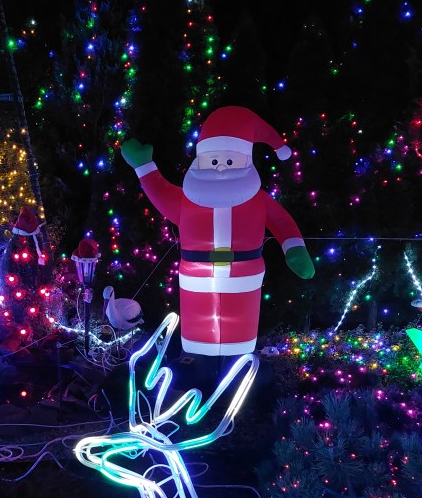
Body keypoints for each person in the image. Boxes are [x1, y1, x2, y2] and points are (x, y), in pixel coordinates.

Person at [120, 105, 314, 357]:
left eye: (230, 160)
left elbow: (281, 221)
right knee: (198, 337)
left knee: (240, 335)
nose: (221, 167)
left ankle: (237, 357)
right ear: (200, 160)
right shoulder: (187, 199)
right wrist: (144, 167)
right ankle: (200, 358)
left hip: (245, 275)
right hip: (196, 277)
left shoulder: (258, 199)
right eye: (213, 160)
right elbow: (161, 194)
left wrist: (294, 248)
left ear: (246, 160)